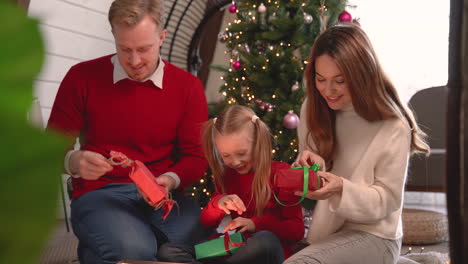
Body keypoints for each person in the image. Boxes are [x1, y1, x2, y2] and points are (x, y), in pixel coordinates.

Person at [46, 0, 209, 263]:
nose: (134, 61)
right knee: (136, 251)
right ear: (114, 38)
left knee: (199, 247)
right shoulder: (81, 77)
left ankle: (95, 253)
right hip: (100, 193)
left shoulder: (188, 88)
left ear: (162, 38)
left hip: (164, 196)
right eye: (125, 49)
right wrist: (73, 161)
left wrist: (168, 180)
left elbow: (196, 158)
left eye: (144, 49)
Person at [284, 23, 430, 264]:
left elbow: (388, 201)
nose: (328, 90)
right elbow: (314, 170)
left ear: (362, 75)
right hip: (328, 232)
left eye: (339, 81)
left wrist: (342, 188)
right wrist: (312, 164)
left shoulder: (393, 125)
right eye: (321, 79)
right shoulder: (313, 107)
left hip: (377, 235)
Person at [157, 105, 304, 264]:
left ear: (258, 144)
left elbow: (297, 230)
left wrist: (255, 224)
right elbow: (207, 222)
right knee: (169, 251)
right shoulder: (227, 175)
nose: (234, 162)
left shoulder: (282, 174)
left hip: (264, 250)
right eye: (225, 155)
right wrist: (218, 204)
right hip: (234, 247)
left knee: (264, 240)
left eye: (241, 153)